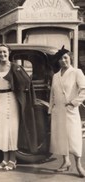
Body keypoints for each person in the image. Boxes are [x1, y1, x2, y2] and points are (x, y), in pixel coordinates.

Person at [0, 44, 38, 171]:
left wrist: (20, 90)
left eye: (4, 52)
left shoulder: (15, 67)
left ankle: (13, 160)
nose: (2, 55)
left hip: (11, 100)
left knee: (11, 130)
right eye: (0, 53)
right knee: (1, 131)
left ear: (9, 53)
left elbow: (27, 82)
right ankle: (4, 159)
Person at [49, 46, 85, 178]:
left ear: (70, 59)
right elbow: (52, 93)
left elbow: (83, 90)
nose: (63, 60)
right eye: (61, 59)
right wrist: (51, 108)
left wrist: (73, 103)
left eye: (65, 58)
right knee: (61, 137)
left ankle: (78, 165)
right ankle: (66, 162)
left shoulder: (77, 72)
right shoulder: (56, 76)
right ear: (58, 61)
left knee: (73, 137)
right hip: (58, 110)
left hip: (70, 109)